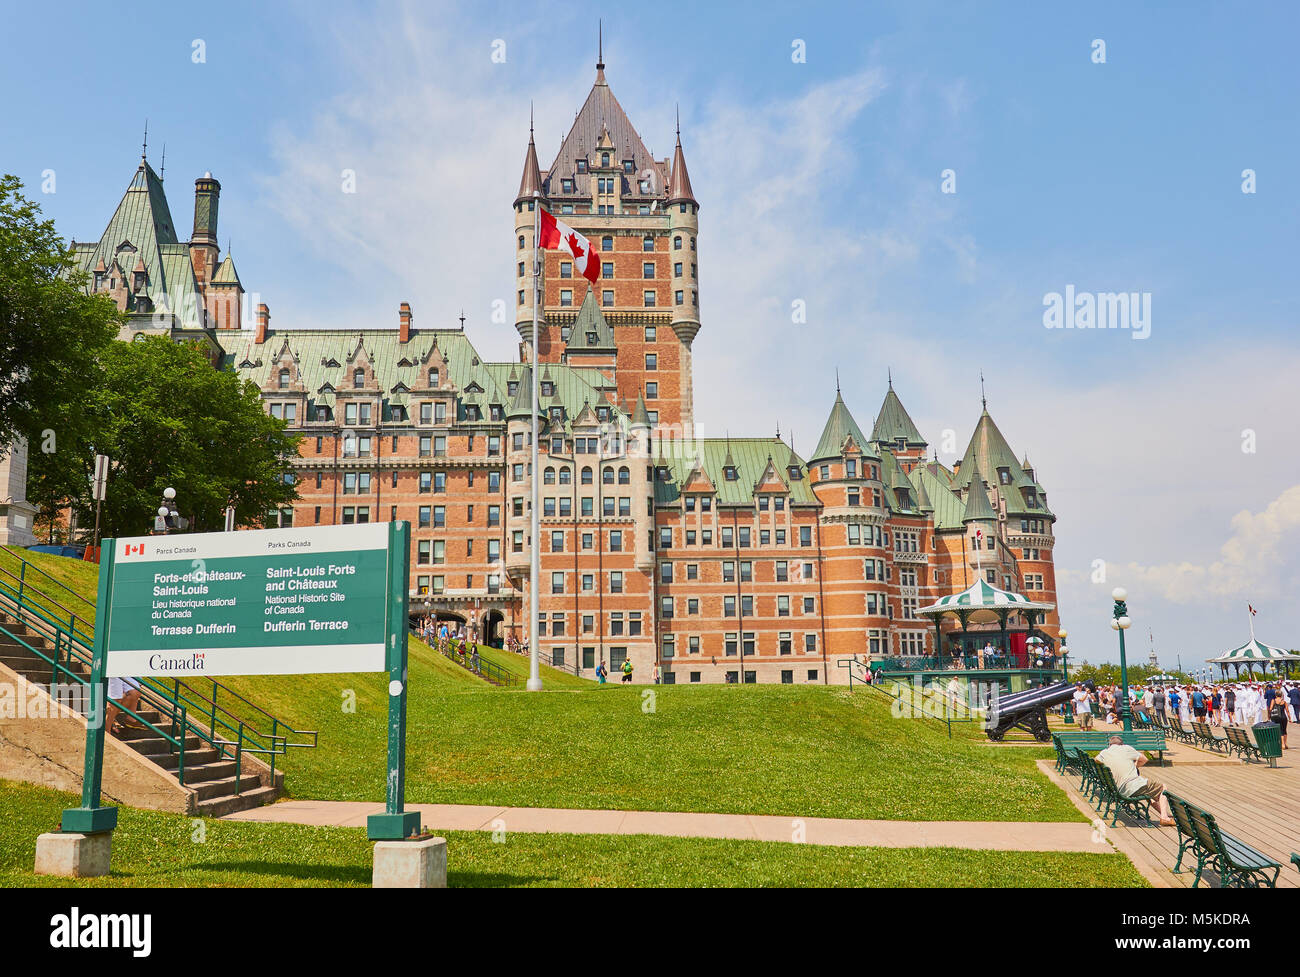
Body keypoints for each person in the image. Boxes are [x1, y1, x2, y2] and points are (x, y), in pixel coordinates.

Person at [1096, 735, 1175, 825]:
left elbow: (1096, 760)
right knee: (1162, 787)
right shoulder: (1126, 748)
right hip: (1130, 787)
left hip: (1116, 788)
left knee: (1148, 789)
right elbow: (1144, 759)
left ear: (1109, 745)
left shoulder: (1104, 752)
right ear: (1121, 744)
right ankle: (1164, 818)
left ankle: (1165, 814)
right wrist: (1134, 766)